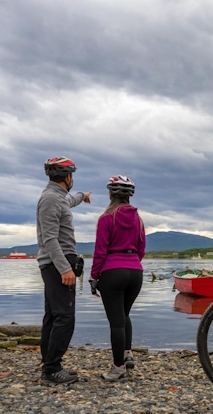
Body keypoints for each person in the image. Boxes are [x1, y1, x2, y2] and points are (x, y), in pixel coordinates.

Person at [36, 156, 92, 384]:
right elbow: (49, 239)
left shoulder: (57, 197)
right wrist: (64, 269)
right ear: (68, 177)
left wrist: (83, 196)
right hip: (57, 265)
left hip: (56, 264)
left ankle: (49, 363)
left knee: (52, 316)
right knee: (65, 317)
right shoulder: (50, 199)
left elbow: (69, 200)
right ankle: (52, 369)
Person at [89, 175, 146, 382]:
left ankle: (118, 368)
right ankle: (127, 353)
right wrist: (131, 263)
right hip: (135, 272)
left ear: (110, 193)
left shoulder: (107, 218)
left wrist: (94, 276)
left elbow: (100, 251)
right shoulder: (138, 220)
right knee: (124, 314)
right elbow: (141, 250)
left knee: (116, 322)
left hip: (113, 272)